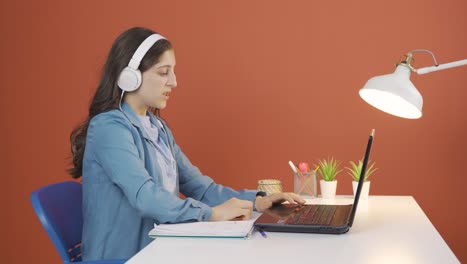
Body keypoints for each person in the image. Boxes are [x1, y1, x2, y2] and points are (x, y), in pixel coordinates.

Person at [69, 27, 304, 261]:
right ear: (130, 77)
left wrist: (258, 201)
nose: (174, 82)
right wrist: (211, 214)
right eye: (163, 72)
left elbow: (201, 188)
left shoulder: (158, 129)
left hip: (161, 249)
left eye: (173, 72)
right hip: (127, 257)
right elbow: (145, 196)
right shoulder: (109, 128)